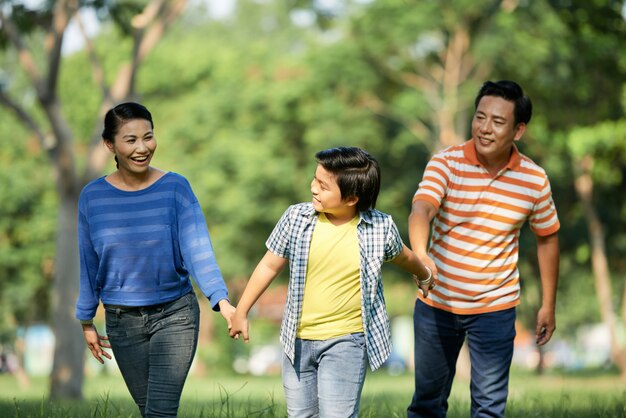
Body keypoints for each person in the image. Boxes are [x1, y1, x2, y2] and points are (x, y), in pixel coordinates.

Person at [229, 146, 434, 418]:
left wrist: (425, 274)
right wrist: (242, 310)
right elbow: (268, 265)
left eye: (323, 186)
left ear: (351, 198)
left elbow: (405, 257)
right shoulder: (296, 218)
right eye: (315, 179)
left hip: (346, 341)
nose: (314, 188)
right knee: (301, 415)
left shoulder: (379, 228)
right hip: (297, 340)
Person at [406, 80, 560, 418]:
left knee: (489, 408)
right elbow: (422, 209)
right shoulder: (446, 163)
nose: (485, 129)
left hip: (496, 307)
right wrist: (421, 253)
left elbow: (547, 238)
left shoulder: (534, 180)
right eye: (480, 117)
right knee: (427, 404)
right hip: (437, 304)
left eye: (498, 122)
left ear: (518, 130)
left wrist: (548, 304)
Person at [75, 102, 235, 418]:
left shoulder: (175, 188)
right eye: (130, 139)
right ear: (110, 145)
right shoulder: (92, 197)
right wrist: (86, 319)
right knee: (150, 410)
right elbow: (89, 261)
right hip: (121, 321)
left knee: (160, 412)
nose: (142, 147)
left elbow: (198, 251)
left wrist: (222, 300)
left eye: (148, 137)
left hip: (175, 315)